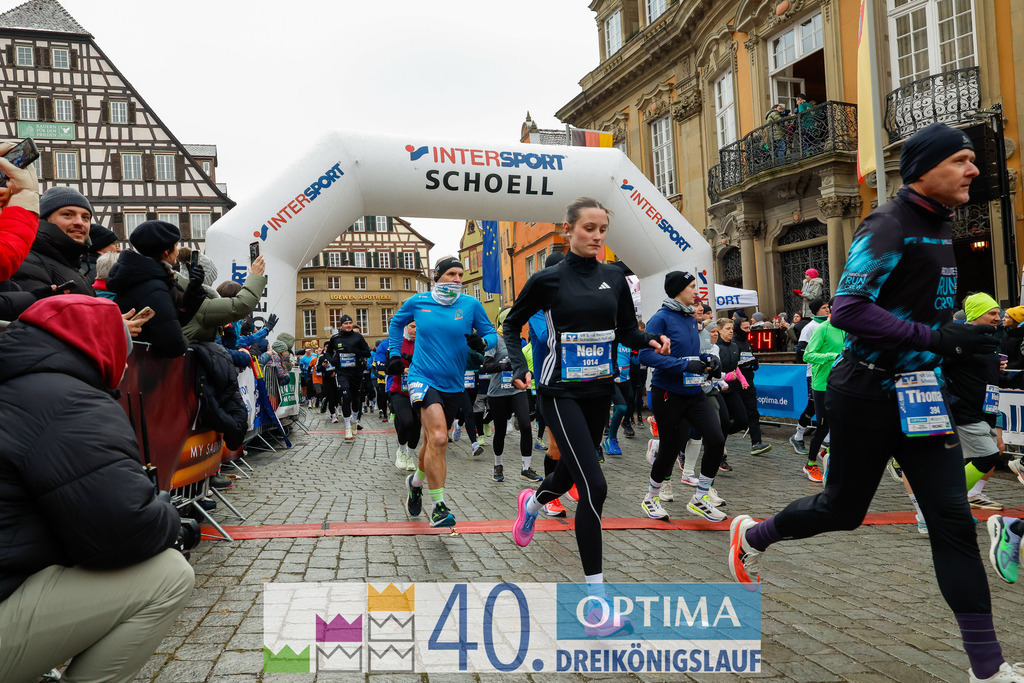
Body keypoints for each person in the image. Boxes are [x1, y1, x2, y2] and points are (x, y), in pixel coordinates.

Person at [728, 122, 1024, 683]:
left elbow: (918, 309)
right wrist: (938, 340)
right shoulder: (890, 222)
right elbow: (848, 308)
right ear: (925, 168)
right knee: (843, 510)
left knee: (952, 522)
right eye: (961, 159)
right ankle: (753, 536)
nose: (974, 169)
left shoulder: (940, 226)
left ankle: (987, 668)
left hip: (922, 396)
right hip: (865, 391)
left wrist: (956, 341)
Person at [0, 295, 194, 682]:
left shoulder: (18, 385)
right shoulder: (70, 402)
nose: (126, 367)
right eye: (125, 354)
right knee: (169, 575)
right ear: (105, 348)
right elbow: (126, 531)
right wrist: (172, 517)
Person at [505, 197, 670, 636]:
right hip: (559, 391)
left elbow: (627, 330)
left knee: (569, 474)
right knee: (594, 485)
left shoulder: (614, 276)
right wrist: (519, 368)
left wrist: (649, 340)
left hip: (600, 388)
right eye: (589, 228)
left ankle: (534, 503)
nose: (597, 237)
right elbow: (510, 324)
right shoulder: (547, 279)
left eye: (602, 230)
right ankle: (596, 606)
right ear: (570, 229)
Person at [386, 256, 496, 528]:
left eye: (461, 275)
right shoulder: (418, 301)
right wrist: (393, 353)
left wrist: (482, 341)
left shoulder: (471, 304)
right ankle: (439, 507)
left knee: (432, 442)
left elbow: (492, 333)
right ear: (438, 276)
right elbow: (395, 323)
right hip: (423, 378)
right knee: (439, 437)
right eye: (452, 274)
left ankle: (415, 483)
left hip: (454, 383)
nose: (458, 279)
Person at [640, 271, 727, 522]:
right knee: (670, 449)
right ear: (678, 290)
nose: (696, 292)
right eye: (691, 286)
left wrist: (706, 359)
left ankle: (700, 498)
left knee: (716, 438)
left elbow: (690, 354)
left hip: (694, 391)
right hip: (668, 393)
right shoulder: (660, 319)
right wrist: (682, 366)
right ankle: (651, 497)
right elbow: (645, 356)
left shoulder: (690, 318)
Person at [946, 293, 1024, 511]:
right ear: (976, 315)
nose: (997, 318)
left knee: (993, 451)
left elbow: (993, 377)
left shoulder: (988, 340)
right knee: (988, 456)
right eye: (991, 313)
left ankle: (964, 496)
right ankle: (949, 500)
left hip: (985, 410)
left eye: (998, 313)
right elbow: (939, 367)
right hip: (965, 411)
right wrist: (952, 399)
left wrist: (1017, 378)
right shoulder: (959, 339)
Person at [107, 220, 204, 357]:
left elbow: (170, 320)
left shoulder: (140, 275)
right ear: (166, 252)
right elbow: (173, 344)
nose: (177, 251)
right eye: (175, 246)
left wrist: (194, 288)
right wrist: (191, 344)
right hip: (143, 369)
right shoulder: (153, 287)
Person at [483, 307, 540, 485]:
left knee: (525, 425)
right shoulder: (494, 340)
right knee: (500, 431)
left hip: (517, 390)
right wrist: (503, 365)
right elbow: (486, 365)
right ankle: (498, 466)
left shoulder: (517, 340)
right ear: (503, 322)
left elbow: (522, 363)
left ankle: (525, 468)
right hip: (498, 393)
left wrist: (527, 372)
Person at [13, 186, 96, 295]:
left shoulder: (72, 264)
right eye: (68, 214)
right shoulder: (28, 261)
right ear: (46, 219)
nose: (79, 222)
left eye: (85, 217)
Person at [800, 310, 846, 482]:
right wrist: (830, 356)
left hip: (843, 385)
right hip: (822, 385)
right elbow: (807, 355)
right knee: (823, 427)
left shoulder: (849, 329)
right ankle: (810, 464)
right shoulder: (822, 329)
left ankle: (825, 452)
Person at [181, 255, 268, 343]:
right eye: (211, 281)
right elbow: (240, 306)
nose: (212, 285)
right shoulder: (199, 304)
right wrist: (255, 276)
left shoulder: (176, 292)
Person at [789, 297, 829, 455]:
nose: (827, 310)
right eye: (824, 307)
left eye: (828, 307)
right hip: (815, 373)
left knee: (832, 404)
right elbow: (801, 352)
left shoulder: (831, 325)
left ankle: (827, 438)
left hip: (831, 373)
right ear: (816, 310)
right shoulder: (811, 327)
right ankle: (798, 436)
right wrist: (823, 357)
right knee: (813, 406)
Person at [325, 315, 372, 439]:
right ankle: (347, 427)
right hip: (342, 372)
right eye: (346, 323)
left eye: (350, 323)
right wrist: (333, 361)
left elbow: (367, 352)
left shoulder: (358, 337)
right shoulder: (335, 338)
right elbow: (328, 352)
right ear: (341, 325)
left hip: (356, 371)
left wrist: (353, 350)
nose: (348, 325)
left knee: (356, 397)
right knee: (345, 396)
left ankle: (355, 421)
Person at [734, 317, 771, 455]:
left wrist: (755, 363)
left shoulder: (748, 342)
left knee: (753, 413)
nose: (748, 331)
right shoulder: (733, 343)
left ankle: (756, 443)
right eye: (745, 328)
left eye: (749, 328)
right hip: (735, 384)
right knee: (739, 417)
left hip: (749, 383)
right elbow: (733, 363)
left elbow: (751, 359)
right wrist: (747, 362)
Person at [388, 322, 419, 471]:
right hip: (400, 390)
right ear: (405, 327)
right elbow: (389, 366)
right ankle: (401, 450)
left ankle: (410, 454)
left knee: (417, 425)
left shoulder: (424, 341)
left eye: (417, 326)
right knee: (407, 422)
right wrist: (403, 369)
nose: (415, 329)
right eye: (412, 326)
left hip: (419, 390)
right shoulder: (397, 343)